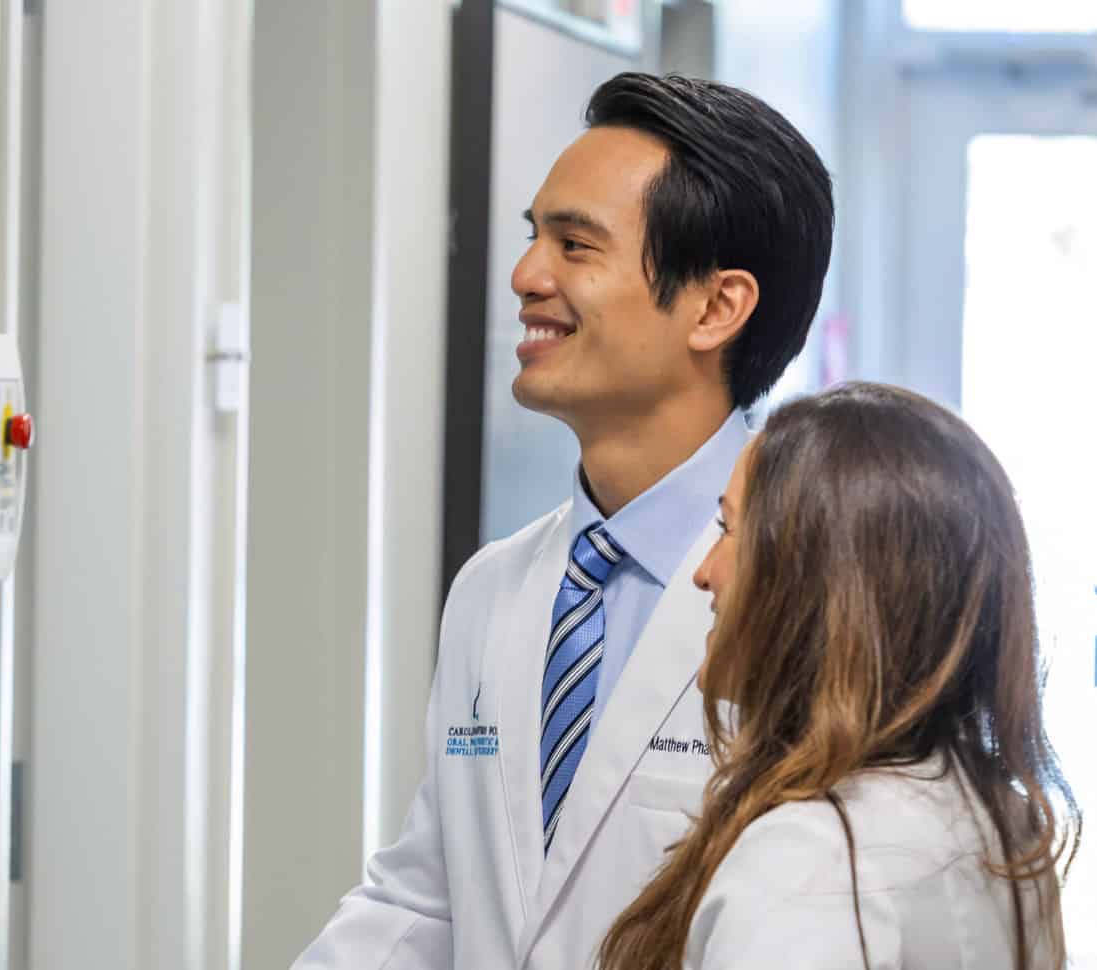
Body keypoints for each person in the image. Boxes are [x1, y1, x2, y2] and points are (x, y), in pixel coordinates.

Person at [293, 73, 832, 969]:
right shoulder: (495, 587)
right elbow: (429, 898)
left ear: (716, 307)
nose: (525, 277)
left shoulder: (821, 591)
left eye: (576, 245)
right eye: (533, 237)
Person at [597, 382, 1080, 970]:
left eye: (728, 531)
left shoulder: (808, 866)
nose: (704, 573)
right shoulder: (1001, 819)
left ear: (814, 582)